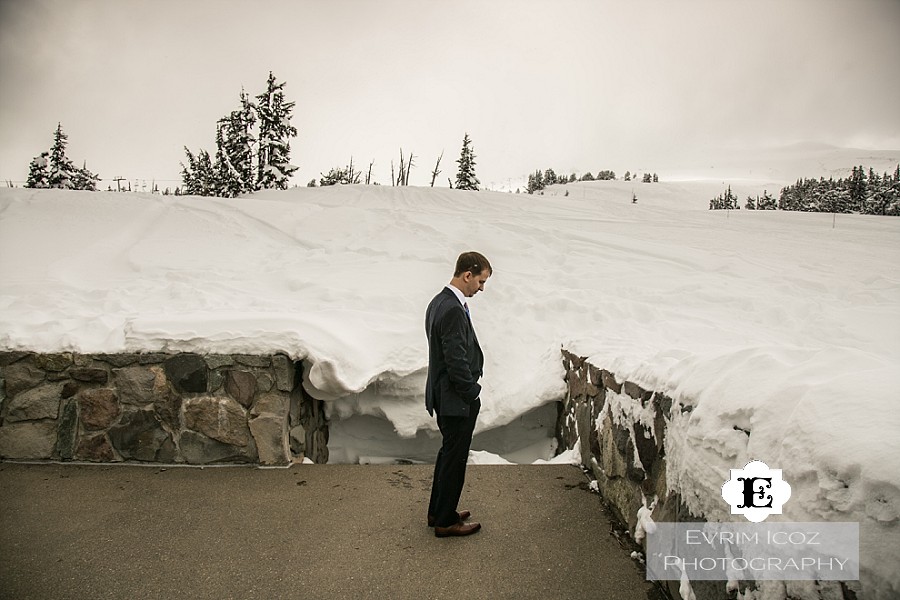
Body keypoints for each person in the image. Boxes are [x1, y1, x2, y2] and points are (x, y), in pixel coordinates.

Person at [424, 251, 492, 537]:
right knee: (454, 459)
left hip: (445, 395)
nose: (481, 287)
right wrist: (471, 392)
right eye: (480, 280)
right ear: (467, 275)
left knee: (447, 454)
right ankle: (446, 521)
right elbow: (456, 360)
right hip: (455, 399)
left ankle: (438, 511)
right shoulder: (452, 308)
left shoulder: (439, 301)